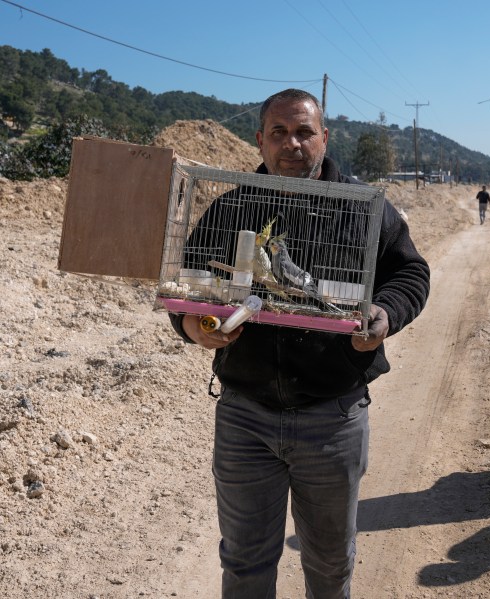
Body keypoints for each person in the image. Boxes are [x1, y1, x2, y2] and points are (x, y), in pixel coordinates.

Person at [168, 88, 430, 596]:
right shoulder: (233, 207)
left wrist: (384, 313)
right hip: (245, 417)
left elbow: (411, 273)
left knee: (330, 564)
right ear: (260, 140)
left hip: (333, 417)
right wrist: (193, 327)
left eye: (305, 132)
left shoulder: (365, 207)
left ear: (325, 138)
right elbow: (185, 286)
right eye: (280, 133)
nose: (293, 144)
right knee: (244, 564)